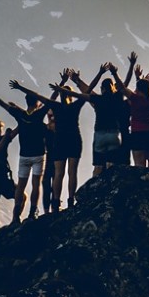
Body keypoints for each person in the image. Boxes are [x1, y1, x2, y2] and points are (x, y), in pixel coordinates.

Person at [0, 82, 50, 223]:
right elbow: (49, 100)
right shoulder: (39, 114)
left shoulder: (20, 115)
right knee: (36, 184)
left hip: (24, 156)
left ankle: (15, 217)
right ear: (37, 103)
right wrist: (62, 83)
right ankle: (32, 212)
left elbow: (2, 104)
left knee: (21, 186)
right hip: (39, 155)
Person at [44, 70, 95, 208]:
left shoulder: (56, 107)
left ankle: (55, 202)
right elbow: (89, 91)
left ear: (60, 94)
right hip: (74, 139)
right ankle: (71, 200)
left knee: (58, 173)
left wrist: (61, 83)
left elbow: (44, 99)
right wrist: (100, 73)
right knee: (73, 172)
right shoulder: (74, 106)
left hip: (59, 140)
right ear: (71, 96)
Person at [87, 62, 133, 174]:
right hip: (116, 133)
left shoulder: (98, 100)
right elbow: (124, 85)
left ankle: (95, 188)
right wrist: (116, 73)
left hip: (100, 133)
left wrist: (77, 81)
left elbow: (87, 91)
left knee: (98, 165)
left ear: (102, 88)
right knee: (112, 164)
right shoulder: (118, 99)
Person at [124, 51, 149, 168]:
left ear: (137, 89)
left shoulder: (135, 99)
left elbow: (122, 87)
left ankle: (140, 185)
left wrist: (131, 65)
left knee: (139, 163)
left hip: (137, 133)